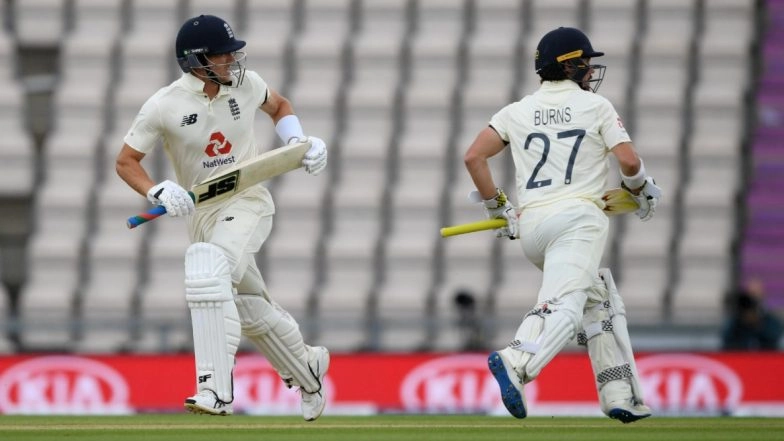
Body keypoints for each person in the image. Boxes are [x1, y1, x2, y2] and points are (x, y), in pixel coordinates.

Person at [115, 15, 330, 420]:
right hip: (201, 212)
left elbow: (280, 105)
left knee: (208, 270)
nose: (233, 59)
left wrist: (298, 141)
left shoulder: (248, 84)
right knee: (246, 305)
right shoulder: (164, 104)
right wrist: (156, 189)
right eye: (223, 54)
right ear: (196, 60)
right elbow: (126, 161)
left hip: (248, 198)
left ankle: (214, 389)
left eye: (233, 52)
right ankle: (308, 369)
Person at [463, 27, 661, 423]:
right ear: (570, 65)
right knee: (565, 307)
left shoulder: (516, 110)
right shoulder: (597, 106)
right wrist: (641, 190)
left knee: (598, 297)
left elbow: (473, 158)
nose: (591, 71)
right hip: (578, 222)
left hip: (533, 226)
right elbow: (629, 163)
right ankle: (517, 360)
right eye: (586, 63)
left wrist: (497, 209)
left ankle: (618, 392)